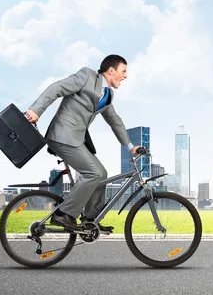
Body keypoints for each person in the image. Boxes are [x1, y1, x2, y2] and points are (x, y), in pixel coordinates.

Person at [25, 54, 141, 232]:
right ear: (111, 70)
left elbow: (115, 121)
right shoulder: (87, 76)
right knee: (94, 172)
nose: (125, 76)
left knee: (101, 174)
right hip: (62, 135)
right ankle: (63, 214)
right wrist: (36, 109)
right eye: (123, 71)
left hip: (76, 139)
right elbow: (57, 88)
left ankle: (90, 220)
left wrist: (130, 146)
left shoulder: (107, 95)